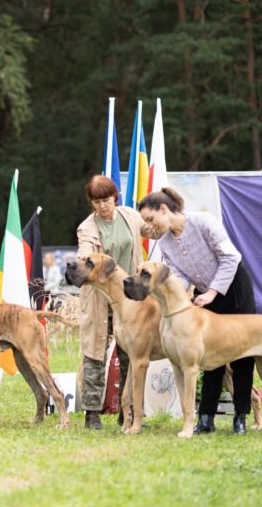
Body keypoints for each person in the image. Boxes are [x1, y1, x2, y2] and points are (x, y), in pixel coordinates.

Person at [138, 187, 255, 435]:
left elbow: (230, 258)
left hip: (234, 288)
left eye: (151, 219)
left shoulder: (203, 221)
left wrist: (212, 292)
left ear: (163, 209)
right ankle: (206, 418)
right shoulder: (165, 243)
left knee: (242, 353)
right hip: (205, 294)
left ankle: (241, 416)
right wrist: (179, 302)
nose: (150, 226)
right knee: (209, 358)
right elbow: (177, 276)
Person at [76, 175, 156, 429]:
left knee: (131, 355)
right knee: (94, 354)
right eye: (96, 201)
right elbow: (85, 253)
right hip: (100, 300)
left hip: (130, 298)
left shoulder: (130, 215)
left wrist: (166, 216)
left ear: (115, 197)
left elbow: (153, 229)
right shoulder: (87, 227)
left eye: (106, 200)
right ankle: (91, 413)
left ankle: (128, 411)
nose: (102, 206)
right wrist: (88, 258)